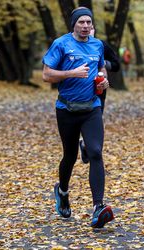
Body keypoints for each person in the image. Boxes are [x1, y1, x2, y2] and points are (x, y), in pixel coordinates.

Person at [42, 7, 114, 228]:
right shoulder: (61, 44)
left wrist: (103, 81)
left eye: (88, 22)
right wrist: (71, 73)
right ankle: (62, 191)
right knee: (70, 156)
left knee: (95, 152)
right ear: (73, 24)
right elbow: (46, 74)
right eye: (81, 22)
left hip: (91, 108)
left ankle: (98, 207)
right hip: (66, 109)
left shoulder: (97, 45)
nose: (85, 25)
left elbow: (101, 67)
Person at [79, 25, 120, 164]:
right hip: (77, 90)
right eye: (84, 26)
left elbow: (116, 65)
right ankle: (85, 145)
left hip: (99, 89)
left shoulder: (101, 45)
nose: (87, 31)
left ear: (94, 30)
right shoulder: (71, 45)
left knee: (95, 119)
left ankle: (89, 149)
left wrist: (101, 63)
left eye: (91, 28)